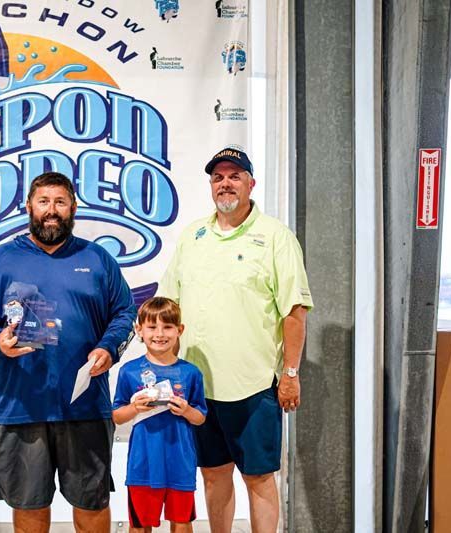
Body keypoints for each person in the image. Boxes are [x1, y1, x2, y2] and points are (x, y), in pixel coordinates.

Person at [0, 171, 136, 533]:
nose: (51, 210)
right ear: (29, 206)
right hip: (20, 408)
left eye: (60, 202)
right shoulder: (0, 260)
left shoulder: (98, 259)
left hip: (84, 406)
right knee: (29, 510)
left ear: (73, 207)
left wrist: (108, 349)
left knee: (91, 504)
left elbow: (125, 312)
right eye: (43, 202)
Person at [158, 148, 313, 533]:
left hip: (254, 386)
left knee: (259, 479)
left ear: (250, 184)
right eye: (218, 177)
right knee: (213, 474)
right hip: (199, 387)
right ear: (211, 186)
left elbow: (294, 312)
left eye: (234, 176)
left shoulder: (276, 237)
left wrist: (290, 373)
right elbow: (169, 305)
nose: (225, 183)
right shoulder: (193, 236)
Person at [112, 297, 206, 533]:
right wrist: (135, 408)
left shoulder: (190, 372)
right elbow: (117, 416)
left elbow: (200, 417)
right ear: (139, 330)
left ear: (179, 330)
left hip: (180, 462)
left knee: (182, 521)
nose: (159, 334)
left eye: (167, 327)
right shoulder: (129, 371)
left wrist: (186, 411)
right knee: (140, 523)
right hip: (142, 464)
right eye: (152, 327)